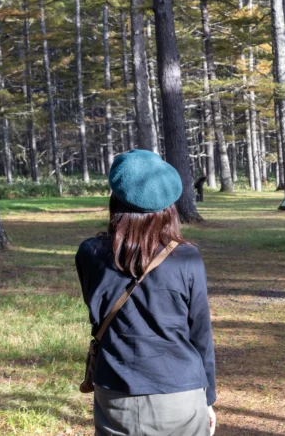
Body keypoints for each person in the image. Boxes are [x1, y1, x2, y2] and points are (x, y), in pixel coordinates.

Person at [76, 149, 217, 435]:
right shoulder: (188, 258)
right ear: (169, 207)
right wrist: (208, 398)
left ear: (115, 199)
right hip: (182, 393)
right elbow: (200, 332)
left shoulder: (89, 253)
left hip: (116, 390)